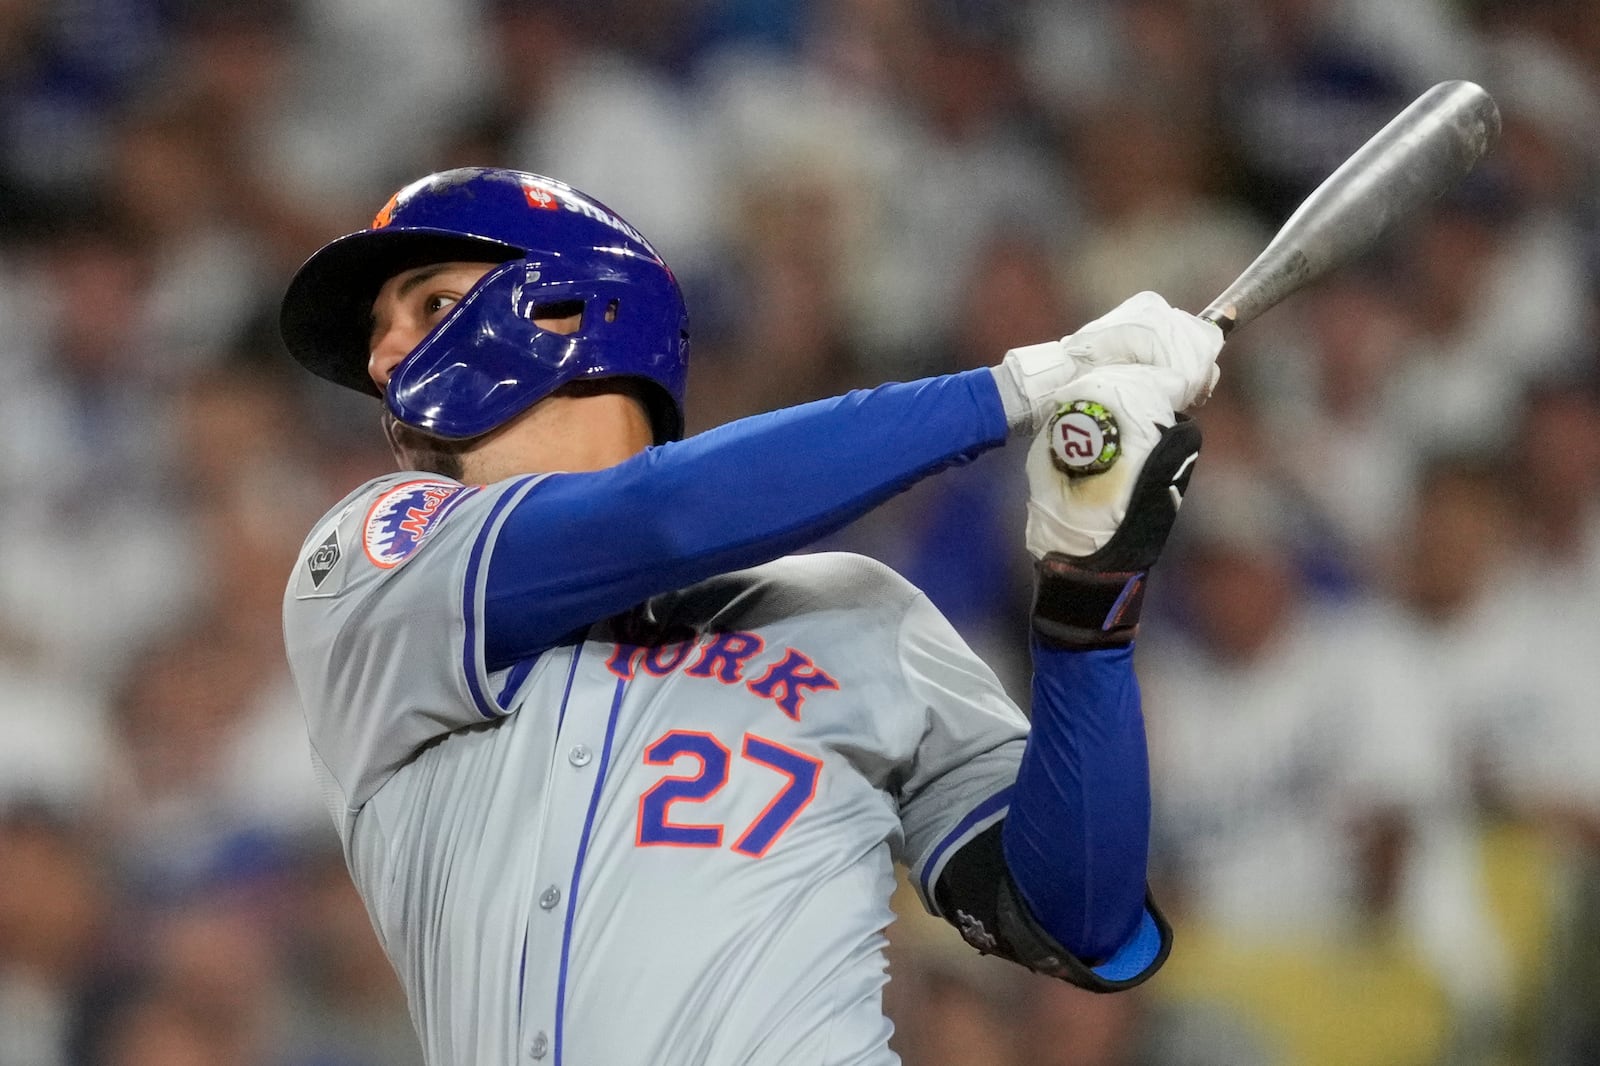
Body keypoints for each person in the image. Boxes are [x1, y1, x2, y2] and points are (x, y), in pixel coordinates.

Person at [277, 167, 1222, 1065]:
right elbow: (659, 516)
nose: (383, 355)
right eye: (380, 331)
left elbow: (1076, 919)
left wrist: (1087, 606)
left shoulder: (855, 612)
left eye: (430, 304)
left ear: (576, 311)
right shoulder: (373, 565)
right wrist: (1014, 386)